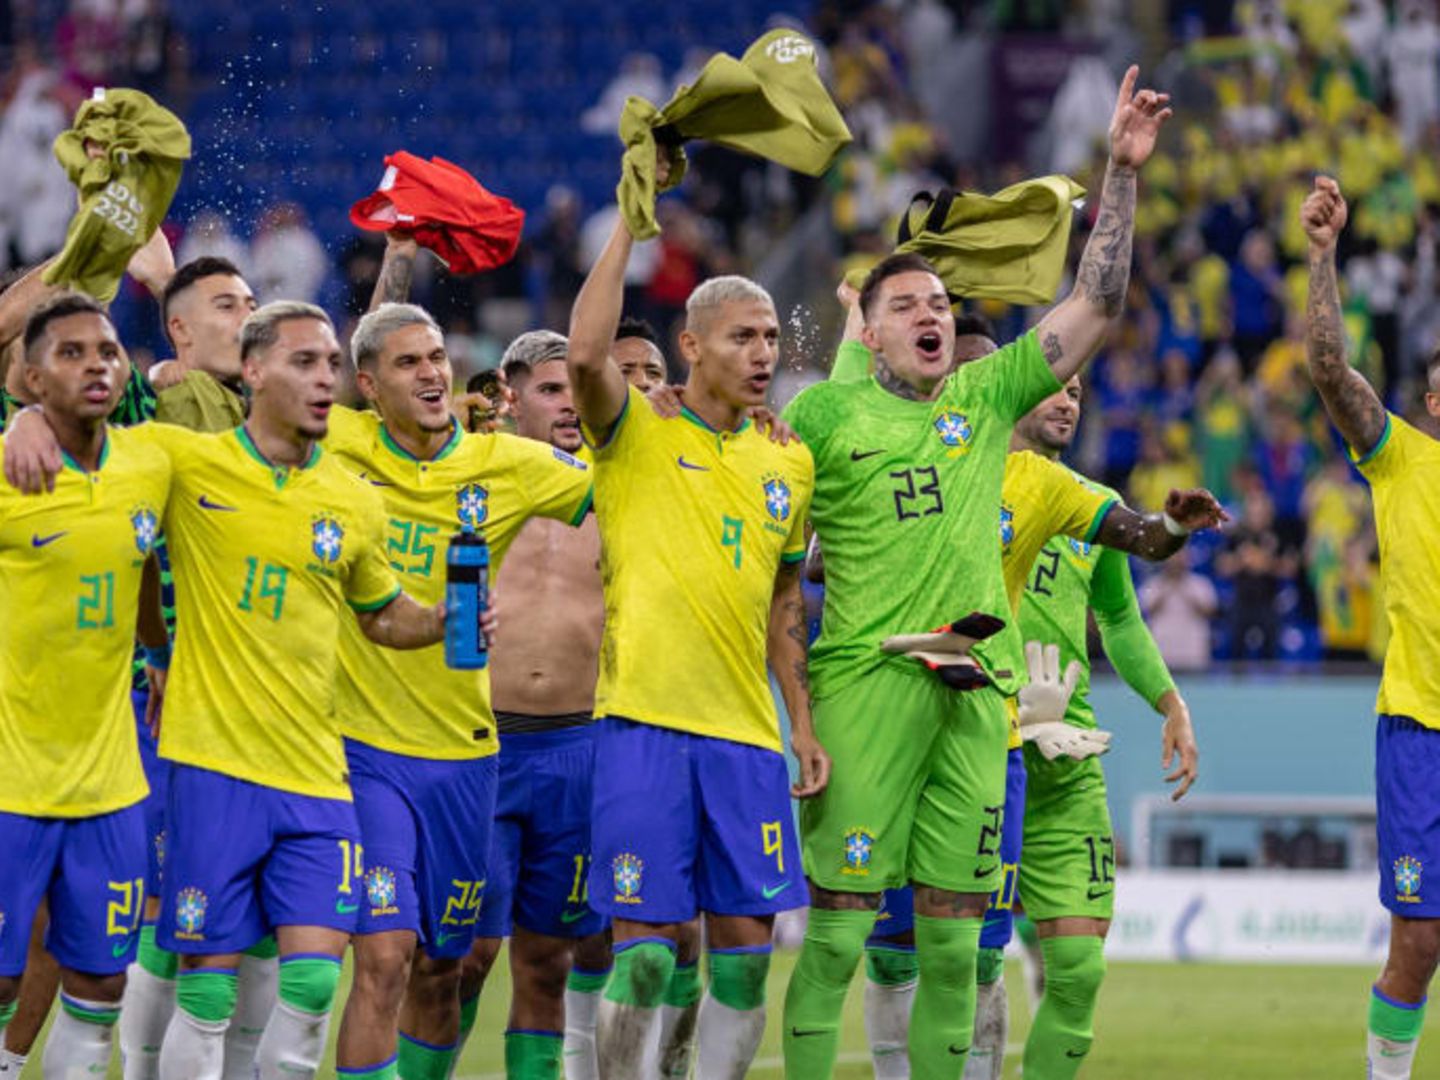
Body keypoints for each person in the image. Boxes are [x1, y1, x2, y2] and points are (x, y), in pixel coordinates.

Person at [778, 65, 1172, 1080]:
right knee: (837, 938)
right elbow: (778, 554)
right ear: (866, 333)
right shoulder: (824, 416)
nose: (932, 313)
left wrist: (1120, 175)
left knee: (959, 942)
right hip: (866, 683)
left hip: (976, 697)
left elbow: (1099, 299)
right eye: (905, 302)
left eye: (941, 302)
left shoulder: (988, 402)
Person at [4, 301, 455, 1080]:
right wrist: (27, 424)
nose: (324, 381)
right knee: (201, 989)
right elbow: (91, 430)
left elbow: (383, 616)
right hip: (211, 770)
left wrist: (447, 620)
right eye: (303, 363)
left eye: (330, 366)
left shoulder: (353, 501)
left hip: (317, 772)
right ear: (252, 372)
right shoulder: (182, 462)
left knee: (312, 979)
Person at [823, 306, 1214, 1080]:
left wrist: (1170, 702)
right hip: (962, 733)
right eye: (1054, 384)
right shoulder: (935, 481)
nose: (1068, 399)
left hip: (1064, 754)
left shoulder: (1084, 503)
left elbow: (1122, 621)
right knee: (934, 952)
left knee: (1074, 971)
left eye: (1078, 389)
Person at [566, 155, 826, 1078]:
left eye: (770, 337)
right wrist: (632, 225)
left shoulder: (787, 464)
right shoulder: (636, 430)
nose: (764, 353)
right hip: (643, 726)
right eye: (742, 337)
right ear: (692, 345)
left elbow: (786, 596)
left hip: (747, 742)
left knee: (748, 961)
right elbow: (585, 356)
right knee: (642, 953)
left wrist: (800, 722)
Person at [326, 280, 593, 1080]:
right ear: (370, 386)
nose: (432, 372)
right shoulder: (338, 443)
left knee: (446, 964)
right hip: (365, 747)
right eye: (408, 363)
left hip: (468, 756)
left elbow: (639, 480)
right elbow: (283, 389)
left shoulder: (509, 464)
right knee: (384, 957)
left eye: (439, 356)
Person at [0, 294, 171, 1079]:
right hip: (12, 779)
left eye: (106, 349)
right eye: (70, 353)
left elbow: (140, 569)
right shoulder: (9, 473)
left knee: (101, 977)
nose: (97, 363)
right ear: (30, 377)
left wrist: (161, 652)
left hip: (111, 782)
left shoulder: (149, 464)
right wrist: (19, 423)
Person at [1301, 175, 1440, 1080]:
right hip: (1421, 730)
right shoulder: (1400, 461)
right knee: (1420, 943)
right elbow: (1328, 370)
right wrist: (1322, 257)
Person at [455, 330, 611, 1080]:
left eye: (576, 390)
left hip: (578, 750)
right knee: (462, 959)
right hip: (483, 747)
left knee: (547, 962)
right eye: (551, 390)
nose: (569, 405)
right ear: (509, 397)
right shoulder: (464, 477)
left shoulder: (617, 485)